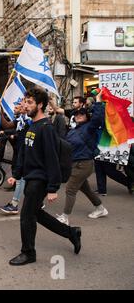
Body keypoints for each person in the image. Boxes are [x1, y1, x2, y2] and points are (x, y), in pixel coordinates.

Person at [7, 88, 81, 266]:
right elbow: (24, 153)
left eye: (30, 102)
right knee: (36, 214)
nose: (26, 105)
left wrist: (52, 188)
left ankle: (28, 253)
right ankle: (71, 233)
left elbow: (52, 158)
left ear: (40, 105)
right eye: (25, 101)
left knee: (26, 216)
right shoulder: (32, 125)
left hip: (40, 179)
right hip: (31, 177)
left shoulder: (46, 128)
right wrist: (16, 175)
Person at [56, 93, 108, 225]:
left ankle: (65, 217)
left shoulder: (90, 127)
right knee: (86, 189)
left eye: (82, 114)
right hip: (75, 163)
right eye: (77, 114)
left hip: (83, 164)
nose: (79, 115)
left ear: (87, 116)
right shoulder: (74, 130)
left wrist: (97, 101)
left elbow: (98, 118)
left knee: (70, 189)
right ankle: (100, 208)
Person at [0, 98, 31, 214]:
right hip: (21, 152)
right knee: (25, 180)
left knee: (21, 179)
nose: (20, 107)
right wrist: (0, 112)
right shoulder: (20, 120)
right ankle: (38, 202)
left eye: (22, 105)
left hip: (28, 154)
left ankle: (14, 204)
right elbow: (7, 125)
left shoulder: (30, 121)